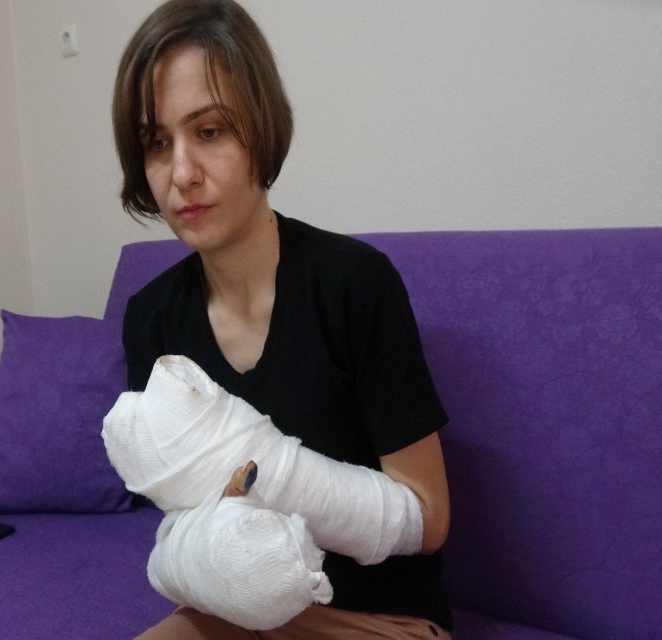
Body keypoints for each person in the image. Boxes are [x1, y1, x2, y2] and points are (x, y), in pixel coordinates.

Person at [111, 1, 452, 637]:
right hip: (229, 607)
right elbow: (179, 519)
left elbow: (427, 520)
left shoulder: (354, 285)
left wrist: (273, 475)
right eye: (157, 143)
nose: (181, 174)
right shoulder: (151, 319)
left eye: (209, 131)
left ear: (261, 128)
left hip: (375, 618)